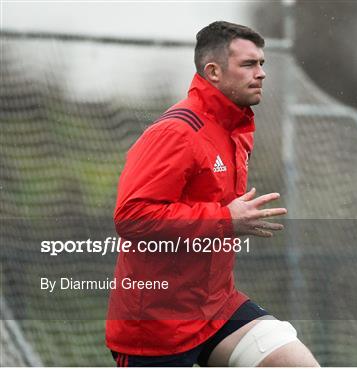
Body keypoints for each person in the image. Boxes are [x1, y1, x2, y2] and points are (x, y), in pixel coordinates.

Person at [106, 21, 319, 367]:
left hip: (216, 307)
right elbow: (132, 217)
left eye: (262, 63)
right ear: (214, 72)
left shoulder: (237, 131)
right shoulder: (176, 133)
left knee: (295, 363)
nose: (261, 73)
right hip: (158, 326)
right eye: (249, 64)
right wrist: (226, 219)